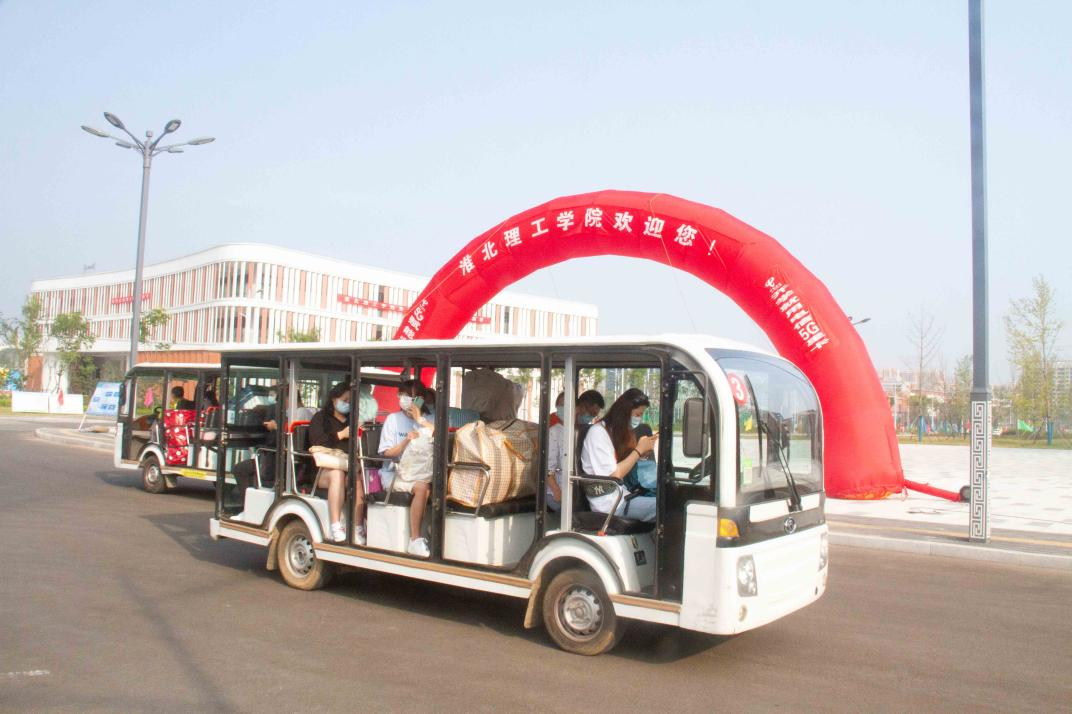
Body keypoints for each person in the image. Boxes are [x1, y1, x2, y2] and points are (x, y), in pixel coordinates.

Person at [580, 387, 658, 522]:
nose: (639, 419)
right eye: (637, 415)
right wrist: (638, 450)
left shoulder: (614, 433)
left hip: (623, 495)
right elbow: (614, 475)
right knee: (662, 508)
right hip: (610, 504)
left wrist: (641, 454)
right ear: (625, 412)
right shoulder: (598, 433)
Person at [378, 379, 435, 557]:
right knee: (423, 487)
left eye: (410, 396)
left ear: (420, 399)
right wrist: (406, 441)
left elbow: (440, 435)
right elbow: (387, 453)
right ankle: (415, 539)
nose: (404, 399)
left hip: (423, 470)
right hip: (396, 473)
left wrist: (420, 420)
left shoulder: (429, 419)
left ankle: (433, 533)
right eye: (402, 395)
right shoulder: (393, 419)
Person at [308, 382, 365, 544]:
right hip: (322, 469)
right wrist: (340, 435)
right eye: (344, 400)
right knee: (337, 474)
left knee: (358, 479)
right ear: (334, 399)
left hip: (346, 465)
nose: (347, 404)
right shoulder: (320, 418)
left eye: (350, 401)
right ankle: (335, 525)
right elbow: (317, 441)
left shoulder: (351, 420)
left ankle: (357, 526)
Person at [546, 389, 605, 511]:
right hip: (558, 492)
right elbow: (548, 469)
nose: (564, 409)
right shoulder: (554, 431)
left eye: (568, 405)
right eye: (561, 406)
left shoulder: (581, 431)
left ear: (577, 408)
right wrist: (556, 491)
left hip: (577, 490)